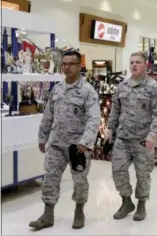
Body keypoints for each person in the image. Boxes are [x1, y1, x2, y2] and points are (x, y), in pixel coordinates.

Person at [29, 50, 101, 230]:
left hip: (78, 147)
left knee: (79, 181)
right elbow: (48, 115)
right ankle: (47, 214)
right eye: (64, 64)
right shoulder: (57, 89)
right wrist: (42, 136)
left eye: (71, 64)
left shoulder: (87, 91)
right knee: (50, 179)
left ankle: (79, 211)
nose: (66, 67)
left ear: (79, 66)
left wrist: (86, 141)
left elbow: (94, 118)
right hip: (56, 144)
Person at [104, 52, 157, 221]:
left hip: (142, 140)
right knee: (118, 171)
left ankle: (141, 204)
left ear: (145, 65)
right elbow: (115, 110)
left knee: (143, 174)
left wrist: (153, 135)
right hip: (123, 138)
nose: (134, 65)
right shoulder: (122, 86)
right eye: (131, 62)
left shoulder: (153, 87)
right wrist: (110, 129)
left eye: (137, 62)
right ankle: (126, 201)